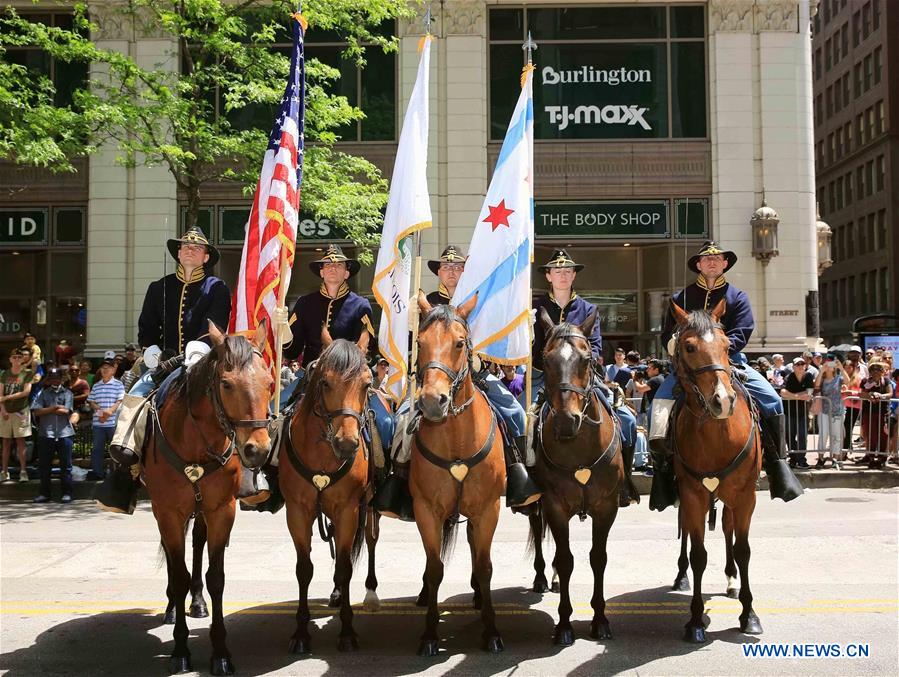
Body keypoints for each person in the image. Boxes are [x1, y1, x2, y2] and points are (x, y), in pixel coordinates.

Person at [651, 241, 803, 510]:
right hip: (690, 367)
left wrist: (717, 350)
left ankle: (778, 464)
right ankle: (662, 471)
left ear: (724, 264)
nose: (712, 263)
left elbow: (742, 332)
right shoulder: (681, 298)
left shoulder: (737, 297)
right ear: (698, 264)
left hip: (731, 362)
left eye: (717, 259)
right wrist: (677, 346)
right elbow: (667, 334)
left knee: (772, 400)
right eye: (706, 259)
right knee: (660, 404)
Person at [96, 226, 232, 514]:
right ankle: (124, 474)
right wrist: (151, 349)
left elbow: (217, 325)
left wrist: (200, 348)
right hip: (164, 362)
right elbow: (146, 326)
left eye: (196, 248)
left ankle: (246, 473)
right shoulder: (159, 287)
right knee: (134, 399)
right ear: (178, 254)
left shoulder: (217, 288)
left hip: (204, 359)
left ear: (206, 257)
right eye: (185, 247)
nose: (190, 250)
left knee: (236, 402)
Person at [531, 248, 638, 481]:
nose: (562, 275)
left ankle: (624, 479)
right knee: (524, 422)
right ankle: (528, 481)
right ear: (548, 276)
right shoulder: (533, 307)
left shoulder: (588, 309)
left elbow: (596, 347)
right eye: (557, 270)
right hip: (543, 377)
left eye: (567, 270)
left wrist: (584, 366)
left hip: (582, 379)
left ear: (574, 275)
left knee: (627, 421)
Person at [30, 368, 77, 504]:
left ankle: (67, 493)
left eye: (57, 378)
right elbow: (37, 411)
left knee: (66, 466)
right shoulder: (43, 393)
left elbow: (67, 411)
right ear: (49, 379)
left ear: (61, 379)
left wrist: (48, 409)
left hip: (65, 433)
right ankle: (44, 494)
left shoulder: (68, 393)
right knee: (44, 466)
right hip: (46, 433)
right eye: (52, 378)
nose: (55, 380)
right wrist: (55, 408)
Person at [86, 358, 125, 481]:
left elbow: (120, 401)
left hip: (113, 423)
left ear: (113, 370)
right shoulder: (96, 385)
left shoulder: (118, 384)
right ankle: (98, 472)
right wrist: (101, 413)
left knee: (116, 450)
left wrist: (109, 412)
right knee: (97, 449)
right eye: (103, 368)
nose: (104, 370)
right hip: (99, 423)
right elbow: (92, 402)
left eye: (107, 368)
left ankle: (118, 473)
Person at [0, 348, 35, 482]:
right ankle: (4, 471)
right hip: (6, 412)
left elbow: (26, 392)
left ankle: (23, 471)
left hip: (21, 410)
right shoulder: (4, 374)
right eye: (14, 357)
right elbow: (0, 394)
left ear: (22, 359)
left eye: (19, 357)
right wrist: (2, 409)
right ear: (10, 359)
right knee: (6, 442)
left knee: (21, 442)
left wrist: (6, 398)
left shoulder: (27, 373)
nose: (16, 359)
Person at [813, 353, 848, 470]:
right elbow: (816, 386)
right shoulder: (822, 379)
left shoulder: (839, 378)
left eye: (831, 364)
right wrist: (822, 371)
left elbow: (848, 382)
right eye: (827, 363)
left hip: (837, 410)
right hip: (824, 410)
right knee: (823, 434)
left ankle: (835, 459)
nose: (829, 366)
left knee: (836, 436)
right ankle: (821, 458)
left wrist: (841, 368)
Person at [781, 357, 815, 468]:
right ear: (793, 367)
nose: (800, 366)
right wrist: (798, 396)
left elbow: (809, 394)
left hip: (802, 412)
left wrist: (792, 396)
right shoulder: (788, 377)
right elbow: (782, 392)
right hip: (789, 411)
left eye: (802, 364)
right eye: (798, 364)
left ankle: (801, 459)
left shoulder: (809, 376)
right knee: (789, 436)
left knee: (802, 436)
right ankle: (793, 457)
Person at [859, 360, 891, 468]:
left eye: (878, 369)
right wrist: (870, 395)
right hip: (869, 412)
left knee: (883, 435)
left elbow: (890, 393)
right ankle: (871, 457)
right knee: (871, 435)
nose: (876, 372)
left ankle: (882, 457)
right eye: (873, 369)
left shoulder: (885, 381)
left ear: (882, 371)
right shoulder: (865, 381)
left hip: (882, 412)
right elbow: (861, 393)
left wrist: (880, 396)